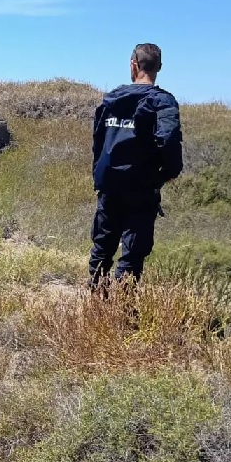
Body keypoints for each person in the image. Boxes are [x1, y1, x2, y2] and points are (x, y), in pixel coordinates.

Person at [88, 43, 184, 290]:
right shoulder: (163, 102)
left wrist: (98, 172)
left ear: (133, 64)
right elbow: (169, 138)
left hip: (109, 183)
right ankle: (121, 309)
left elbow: (98, 139)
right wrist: (170, 171)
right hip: (141, 187)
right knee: (132, 253)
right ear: (159, 67)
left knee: (102, 245)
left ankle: (96, 301)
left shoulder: (111, 99)